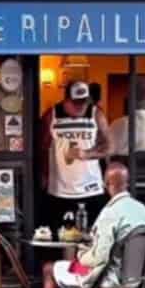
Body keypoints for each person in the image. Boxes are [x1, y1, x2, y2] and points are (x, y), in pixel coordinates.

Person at [22, 162, 145, 288]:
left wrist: (80, 256)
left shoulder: (110, 213)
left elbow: (98, 258)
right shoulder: (143, 211)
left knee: (49, 269)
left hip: (109, 279)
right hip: (134, 279)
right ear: (127, 183)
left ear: (106, 184)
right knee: (111, 263)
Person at [40, 80, 113, 228]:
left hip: (91, 189)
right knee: (61, 237)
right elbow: (41, 147)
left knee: (92, 236)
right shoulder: (51, 115)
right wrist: (44, 175)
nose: (81, 106)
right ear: (66, 99)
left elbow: (109, 146)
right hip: (59, 190)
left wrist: (87, 154)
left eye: (84, 102)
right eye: (76, 102)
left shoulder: (96, 114)